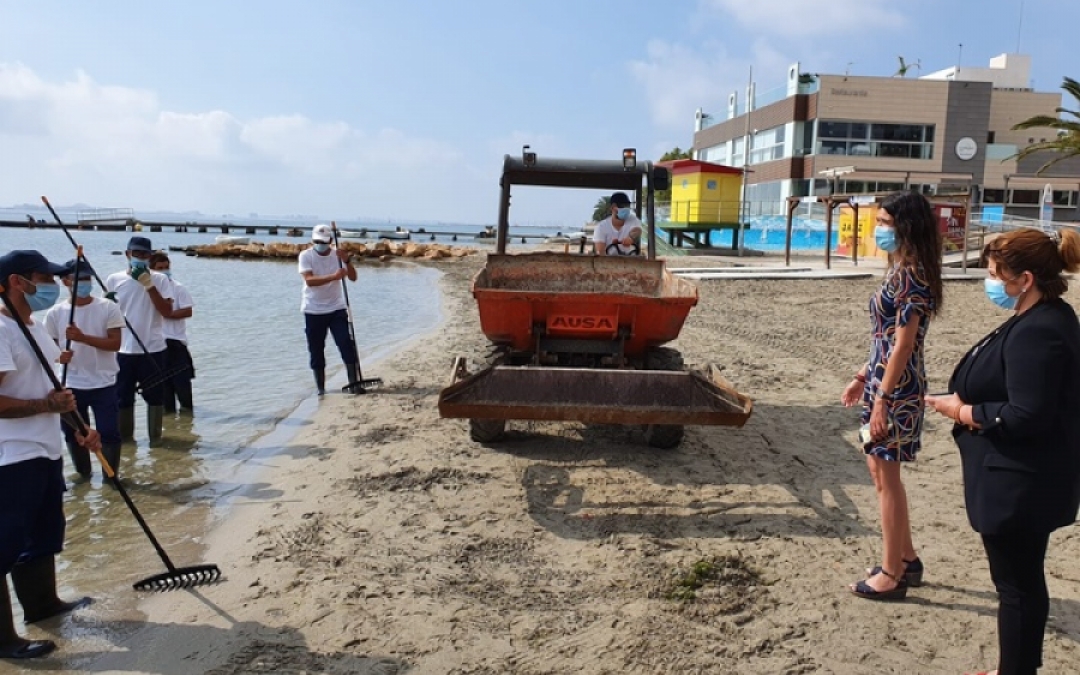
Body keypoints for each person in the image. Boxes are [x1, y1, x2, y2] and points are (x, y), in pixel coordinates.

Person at [926, 228, 1080, 675]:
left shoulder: (1041, 329)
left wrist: (965, 411)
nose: (990, 281)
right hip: (1021, 476)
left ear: (1026, 279)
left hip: (1020, 482)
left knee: (1017, 587)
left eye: (996, 274)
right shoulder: (1042, 315)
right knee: (1019, 582)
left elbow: (1027, 414)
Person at [840, 191, 943, 601]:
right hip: (882, 383)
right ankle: (906, 558)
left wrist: (882, 398)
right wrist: (862, 376)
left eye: (885, 222)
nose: (878, 229)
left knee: (887, 479)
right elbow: (883, 339)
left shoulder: (913, 276)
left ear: (907, 227)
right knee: (880, 473)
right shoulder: (900, 270)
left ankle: (892, 573)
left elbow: (903, 345)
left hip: (896, 391)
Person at [0, 250, 98, 660]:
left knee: (42, 533)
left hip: (44, 448)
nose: (54, 286)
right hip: (10, 455)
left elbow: (52, 390)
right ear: (16, 282)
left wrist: (80, 426)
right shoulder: (0, 329)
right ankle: (4, 641)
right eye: (45, 278)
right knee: (5, 544)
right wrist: (46, 407)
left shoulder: (34, 327)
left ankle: (43, 605)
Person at [43, 259, 125, 479]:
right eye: (79, 279)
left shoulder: (108, 307)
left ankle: (111, 478)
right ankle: (83, 476)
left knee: (109, 432)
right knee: (74, 433)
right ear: (66, 281)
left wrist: (83, 338)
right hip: (71, 383)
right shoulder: (55, 313)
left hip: (104, 382)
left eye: (88, 278)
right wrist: (60, 356)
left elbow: (115, 344)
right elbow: (48, 350)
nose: (85, 283)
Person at [105, 236, 173, 441]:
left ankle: (156, 441)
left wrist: (149, 286)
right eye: (137, 253)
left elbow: (167, 311)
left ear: (150, 256)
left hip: (153, 348)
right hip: (123, 350)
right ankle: (127, 445)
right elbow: (106, 317)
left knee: (155, 398)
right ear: (128, 254)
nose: (141, 257)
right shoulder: (114, 279)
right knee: (122, 398)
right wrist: (107, 305)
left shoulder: (161, 280)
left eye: (145, 254)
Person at [298, 224, 360, 395]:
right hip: (313, 310)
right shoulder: (306, 255)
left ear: (330, 241)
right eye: (317, 241)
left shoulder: (337, 256)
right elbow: (309, 280)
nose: (320, 245)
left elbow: (353, 278)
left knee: (346, 343)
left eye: (324, 242)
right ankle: (321, 389)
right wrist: (334, 277)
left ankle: (354, 383)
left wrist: (347, 261)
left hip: (336, 308)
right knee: (316, 350)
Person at [149, 252, 195, 414]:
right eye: (160, 268)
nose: (164, 271)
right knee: (164, 393)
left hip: (176, 342)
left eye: (166, 267)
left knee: (183, 389)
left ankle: (187, 420)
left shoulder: (178, 287)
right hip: (156, 345)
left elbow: (188, 311)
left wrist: (167, 314)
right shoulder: (147, 291)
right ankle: (169, 424)